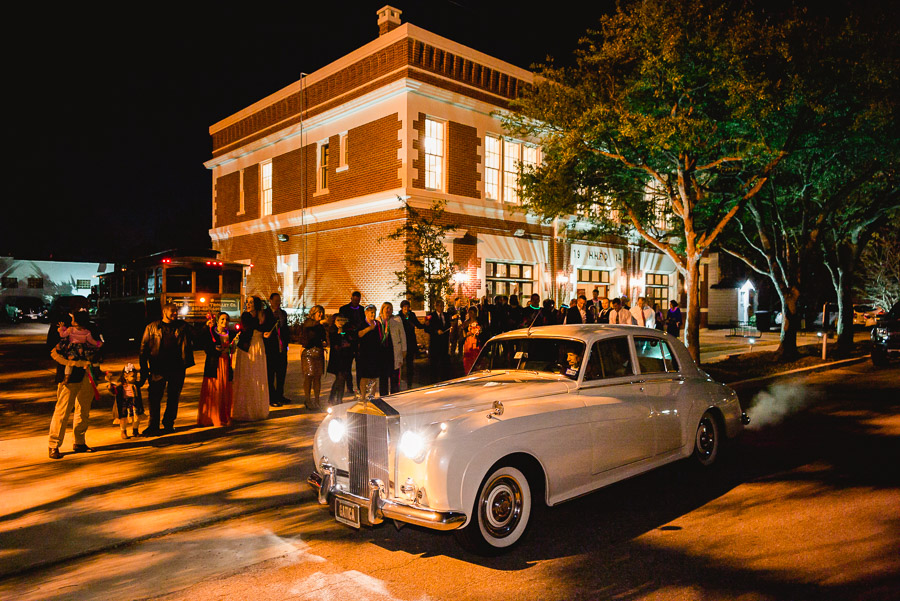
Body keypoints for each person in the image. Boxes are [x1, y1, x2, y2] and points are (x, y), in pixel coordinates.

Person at [48, 308, 102, 459]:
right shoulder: (61, 326)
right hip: (69, 375)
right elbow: (52, 347)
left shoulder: (91, 327)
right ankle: (54, 444)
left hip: (87, 373)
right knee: (63, 410)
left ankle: (79, 441)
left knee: (83, 409)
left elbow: (98, 346)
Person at [139, 302, 195, 436]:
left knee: (173, 397)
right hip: (158, 368)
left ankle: (169, 424)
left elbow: (198, 334)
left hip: (177, 367)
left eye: (176, 311)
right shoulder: (152, 327)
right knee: (154, 397)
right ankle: (153, 426)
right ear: (164, 312)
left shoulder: (183, 326)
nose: (175, 313)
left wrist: (210, 327)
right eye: (172, 311)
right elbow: (143, 348)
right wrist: (144, 368)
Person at [232, 296, 270, 421]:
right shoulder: (246, 316)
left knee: (258, 374)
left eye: (251, 302)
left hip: (258, 345)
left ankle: (257, 407)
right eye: (247, 302)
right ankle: (244, 409)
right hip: (246, 347)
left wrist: (265, 329)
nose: (248, 304)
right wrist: (259, 319)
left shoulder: (264, 315)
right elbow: (249, 327)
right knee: (246, 375)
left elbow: (266, 327)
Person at [198, 312, 237, 428]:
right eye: (222, 319)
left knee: (224, 390)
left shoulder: (230, 333)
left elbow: (232, 350)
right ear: (218, 320)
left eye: (226, 320)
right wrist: (217, 350)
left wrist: (231, 347)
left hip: (225, 364)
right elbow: (205, 345)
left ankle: (224, 415)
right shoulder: (211, 332)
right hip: (214, 364)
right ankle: (211, 417)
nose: (224, 322)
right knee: (214, 390)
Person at [52, 311, 103, 384]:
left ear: (76, 322)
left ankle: (66, 378)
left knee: (69, 364)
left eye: (73, 319)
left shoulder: (71, 329)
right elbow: (91, 341)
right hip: (83, 350)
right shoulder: (87, 332)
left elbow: (62, 335)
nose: (71, 321)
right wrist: (99, 344)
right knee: (87, 362)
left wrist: (61, 329)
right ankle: (93, 376)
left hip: (72, 349)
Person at [262, 292, 290, 405]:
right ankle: (272, 397)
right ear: (270, 301)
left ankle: (280, 394)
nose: (278, 303)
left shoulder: (283, 313)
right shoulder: (265, 313)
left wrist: (286, 342)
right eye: (276, 301)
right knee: (270, 374)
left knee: (281, 373)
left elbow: (285, 329)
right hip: (270, 348)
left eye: (279, 301)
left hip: (281, 347)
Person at [300, 305, 328, 410]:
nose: (320, 314)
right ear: (313, 313)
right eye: (318, 312)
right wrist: (319, 322)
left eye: (322, 312)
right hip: (308, 353)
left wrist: (324, 342)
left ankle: (317, 400)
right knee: (309, 376)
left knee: (318, 377)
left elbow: (324, 337)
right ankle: (307, 399)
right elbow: (309, 326)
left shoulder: (321, 326)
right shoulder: (308, 322)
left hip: (319, 353)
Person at [107, 363, 144, 439]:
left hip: (134, 403)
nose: (134, 378)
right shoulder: (120, 385)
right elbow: (114, 391)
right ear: (125, 376)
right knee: (123, 418)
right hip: (123, 404)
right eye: (132, 376)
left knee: (136, 417)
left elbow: (142, 382)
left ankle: (135, 430)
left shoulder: (136, 384)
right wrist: (110, 386)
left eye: (136, 376)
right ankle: (123, 431)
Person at [377, 302, 407, 396]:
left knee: (394, 376)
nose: (388, 310)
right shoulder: (377, 321)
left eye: (390, 308)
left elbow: (402, 335)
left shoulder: (397, 320)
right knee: (383, 378)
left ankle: (395, 396)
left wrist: (404, 349)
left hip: (393, 352)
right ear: (382, 309)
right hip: (382, 353)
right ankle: (384, 397)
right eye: (387, 308)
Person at [339, 291, 366, 394]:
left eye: (358, 300)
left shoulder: (362, 310)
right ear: (351, 299)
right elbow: (342, 324)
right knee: (347, 366)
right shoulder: (344, 309)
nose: (356, 302)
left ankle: (360, 386)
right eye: (354, 300)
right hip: (348, 341)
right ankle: (349, 387)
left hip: (359, 341)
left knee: (360, 366)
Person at [327, 315, 354, 404]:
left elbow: (351, 340)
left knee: (342, 377)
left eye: (343, 320)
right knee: (340, 377)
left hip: (345, 357)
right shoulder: (332, 330)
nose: (341, 322)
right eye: (339, 320)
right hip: (337, 358)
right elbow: (334, 342)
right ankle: (334, 397)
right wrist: (340, 334)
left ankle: (337, 398)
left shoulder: (348, 329)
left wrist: (347, 340)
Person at [355, 305, 381, 398]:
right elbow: (359, 334)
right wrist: (369, 328)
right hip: (364, 353)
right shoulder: (362, 324)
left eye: (374, 312)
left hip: (375, 354)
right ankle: (362, 395)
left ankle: (372, 395)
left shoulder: (378, 324)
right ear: (366, 313)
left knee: (374, 376)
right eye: (371, 312)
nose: (373, 314)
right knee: (364, 376)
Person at [398, 300, 424, 389]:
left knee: (410, 363)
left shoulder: (412, 315)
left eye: (407, 307)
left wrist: (425, 325)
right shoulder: (399, 316)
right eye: (404, 307)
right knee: (400, 362)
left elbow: (418, 325)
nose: (406, 309)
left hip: (410, 341)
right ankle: (399, 380)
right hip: (402, 341)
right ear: (402, 308)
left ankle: (409, 382)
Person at [426, 298, 453, 383]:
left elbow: (448, 325)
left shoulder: (446, 315)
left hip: (444, 343)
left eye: (442, 306)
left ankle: (444, 379)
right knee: (434, 364)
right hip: (435, 343)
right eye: (439, 306)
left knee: (444, 364)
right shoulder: (431, 316)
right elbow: (427, 329)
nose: (441, 308)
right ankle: (433, 381)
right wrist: (436, 331)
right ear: (436, 307)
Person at [462, 306, 483, 374]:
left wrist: (478, 331)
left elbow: (482, 331)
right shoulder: (466, 323)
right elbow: (463, 335)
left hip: (476, 343)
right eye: (470, 312)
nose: (471, 314)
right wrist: (470, 332)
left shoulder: (479, 322)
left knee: (476, 359)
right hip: (468, 344)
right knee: (468, 360)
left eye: (472, 313)